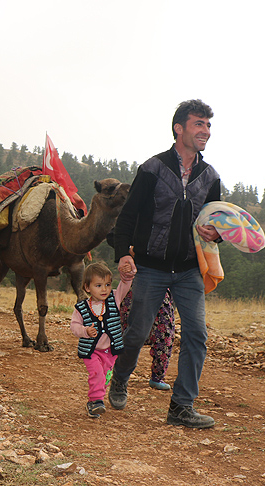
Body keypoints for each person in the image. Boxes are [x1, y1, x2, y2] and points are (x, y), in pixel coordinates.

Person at [109, 99, 221, 429]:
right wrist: (124, 255)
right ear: (179, 128)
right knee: (137, 333)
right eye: (199, 124)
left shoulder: (210, 176)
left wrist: (214, 233)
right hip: (152, 268)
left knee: (197, 335)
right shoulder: (152, 169)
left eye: (209, 125)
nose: (206, 131)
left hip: (188, 269)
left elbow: (218, 226)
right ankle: (119, 380)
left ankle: (181, 406)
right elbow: (128, 217)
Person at [69, 262, 132, 418]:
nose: (104, 289)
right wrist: (84, 331)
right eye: (98, 285)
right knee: (96, 374)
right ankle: (96, 401)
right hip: (91, 350)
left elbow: (126, 283)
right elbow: (74, 326)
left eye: (107, 284)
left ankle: (95, 400)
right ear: (87, 287)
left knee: (105, 378)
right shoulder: (82, 308)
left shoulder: (114, 299)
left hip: (110, 351)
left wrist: (128, 272)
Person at [119, 288, 176, 390]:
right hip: (137, 287)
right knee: (129, 335)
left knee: (164, 334)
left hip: (163, 290)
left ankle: (157, 377)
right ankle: (120, 376)